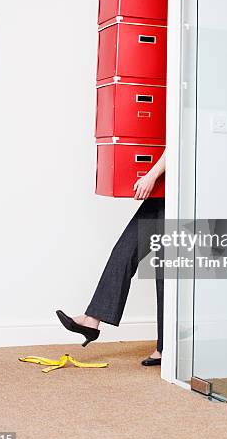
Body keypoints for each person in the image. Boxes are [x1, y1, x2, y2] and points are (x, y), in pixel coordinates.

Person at [56, 151, 165, 366]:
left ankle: (165, 346)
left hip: (185, 186)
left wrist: (151, 175)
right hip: (166, 188)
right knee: (124, 251)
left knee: (166, 270)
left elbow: (180, 141)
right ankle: (92, 320)